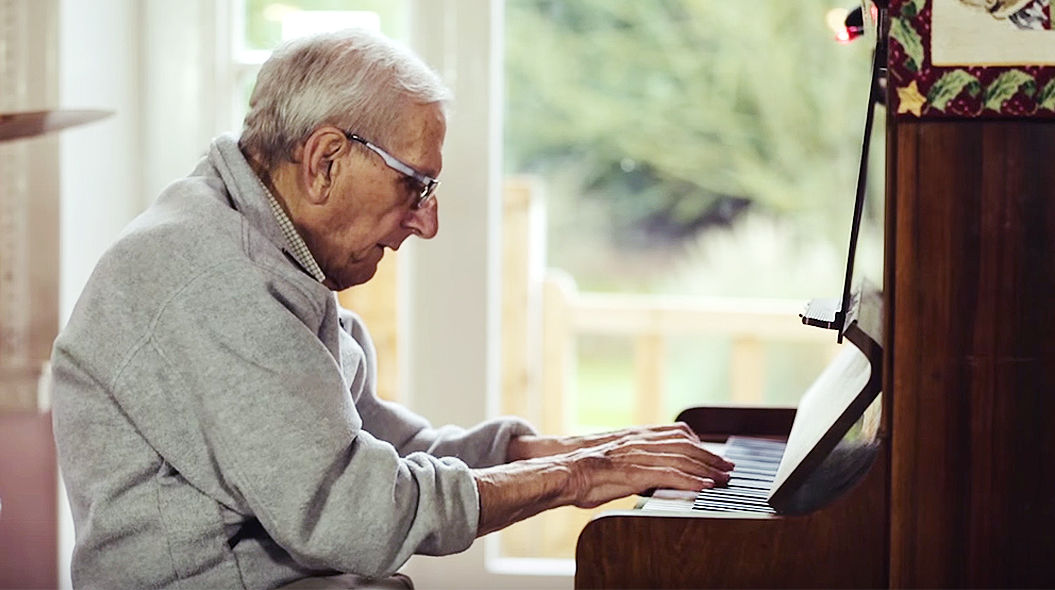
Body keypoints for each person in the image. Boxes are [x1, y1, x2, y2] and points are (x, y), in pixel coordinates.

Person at [51, 28, 733, 590]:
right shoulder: (209, 272)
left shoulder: (264, 249)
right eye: (415, 184)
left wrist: (581, 450)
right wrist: (579, 477)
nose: (426, 222)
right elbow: (360, 512)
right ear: (323, 160)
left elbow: (385, 450)